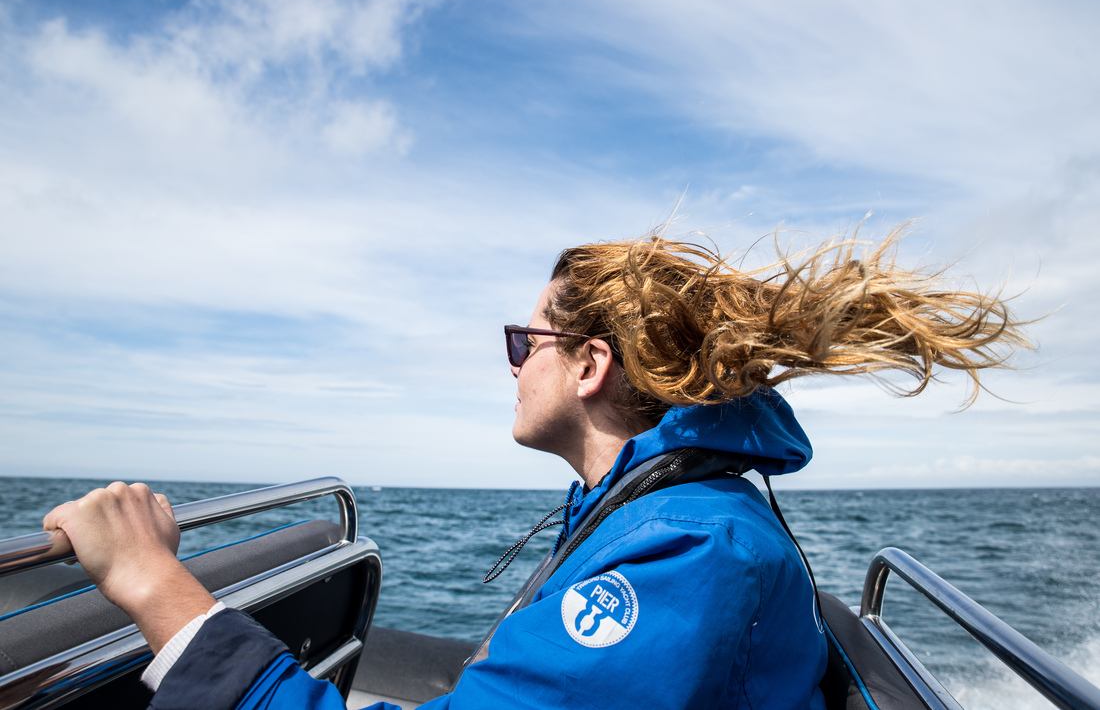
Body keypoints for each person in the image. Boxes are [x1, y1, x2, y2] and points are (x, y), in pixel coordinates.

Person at [43, 230, 1027, 709]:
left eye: (529, 338)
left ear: (589, 364)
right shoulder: (646, 510)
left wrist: (152, 581)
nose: (515, 363)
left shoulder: (690, 548)